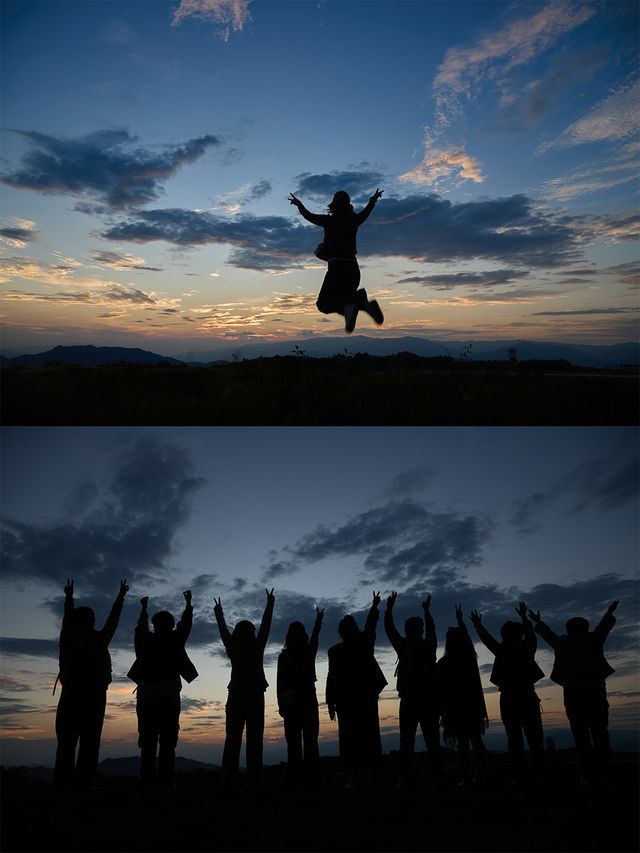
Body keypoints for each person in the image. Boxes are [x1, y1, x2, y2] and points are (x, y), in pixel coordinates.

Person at [528, 601, 618, 784]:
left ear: (569, 630)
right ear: (585, 629)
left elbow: (548, 634)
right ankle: (604, 773)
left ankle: (587, 774)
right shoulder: (593, 640)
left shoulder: (562, 643)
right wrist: (608, 613)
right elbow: (604, 627)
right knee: (600, 732)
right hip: (596, 691)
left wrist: (537, 621)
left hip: (573, 693)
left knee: (581, 734)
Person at [53, 578, 128, 788]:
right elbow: (112, 621)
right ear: (92, 621)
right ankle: (83, 786)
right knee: (89, 744)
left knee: (67, 744)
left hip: (71, 696)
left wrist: (69, 598)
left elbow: (67, 619)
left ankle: (63, 787)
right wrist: (120, 598)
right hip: (94, 697)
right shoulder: (99, 639)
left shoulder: (67, 636)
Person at [288, 188, 384, 333]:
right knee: (346, 298)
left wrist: (299, 205)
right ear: (348, 204)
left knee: (324, 304)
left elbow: (309, 216)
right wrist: (373, 200)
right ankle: (361, 302)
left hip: (336, 268)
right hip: (353, 269)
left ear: (333, 204)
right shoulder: (354, 220)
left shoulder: (328, 220)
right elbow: (367, 211)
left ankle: (353, 306)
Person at [128, 590, 198, 787]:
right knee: (168, 742)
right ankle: (165, 783)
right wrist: (188, 605)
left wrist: (143, 610)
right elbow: (186, 625)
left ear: (155, 625)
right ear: (171, 625)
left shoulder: (144, 641)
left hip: (146, 697)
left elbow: (140, 627)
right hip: (169, 697)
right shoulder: (175, 640)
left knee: (148, 743)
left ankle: (148, 783)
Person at [470, 602, 545, 784]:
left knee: (514, 739)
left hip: (509, 699)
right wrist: (525, 618)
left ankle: (520, 776)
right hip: (528, 697)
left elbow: (488, 640)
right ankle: (539, 775)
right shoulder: (527, 649)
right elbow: (531, 636)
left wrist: (478, 625)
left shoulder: (502, 650)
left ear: (504, 635)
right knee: (535, 739)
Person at [213, 588, 275, 790]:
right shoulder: (257, 646)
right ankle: (255, 782)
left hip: (236, 695)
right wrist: (269, 603)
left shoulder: (232, 646)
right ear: (252, 632)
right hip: (255, 696)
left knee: (232, 740)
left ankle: (227, 782)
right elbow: (266, 625)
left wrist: (219, 612)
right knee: (255, 741)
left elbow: (223, 631)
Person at [326, 591, 387, 789]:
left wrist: (331, 702)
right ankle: (366, 776)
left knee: (351, 740)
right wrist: (374, 606)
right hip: (360, 699)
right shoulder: (361, 643)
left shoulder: (337, 651)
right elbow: (370, 626)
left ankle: (358, 777)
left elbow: (331, 678)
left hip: (353, 700)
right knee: (366, 738)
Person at [384, 591, 443, 786]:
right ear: (421, 629)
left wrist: (389, 609)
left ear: (407, 630)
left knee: (406, 742)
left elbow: (390, 630)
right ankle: (436, 776)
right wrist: (427, 612)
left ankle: (406, 777)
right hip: (429, 700)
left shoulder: (404, 646)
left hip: (409, 700)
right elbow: (433, 631)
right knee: (432, 741)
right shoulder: (429, 645)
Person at [437, 605, 488, 786]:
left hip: (454, 709)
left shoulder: (443, 663)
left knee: (463, 744)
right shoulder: (468, 659)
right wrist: (460, 620)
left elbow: (440, 690)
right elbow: (466, 639)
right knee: (476, 741)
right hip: (472, 706)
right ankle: (482, 774)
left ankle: (468, 775)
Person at [277, 607, 324, 784]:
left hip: (291, 704)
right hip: (308, 700)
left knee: (294, 745)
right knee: (311, 742)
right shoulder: (308, 652)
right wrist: (318, 621)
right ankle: (314, 778)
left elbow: (279, 683)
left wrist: (281, 705)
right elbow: (316, 638)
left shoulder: (285, 656)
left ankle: (295, 779)